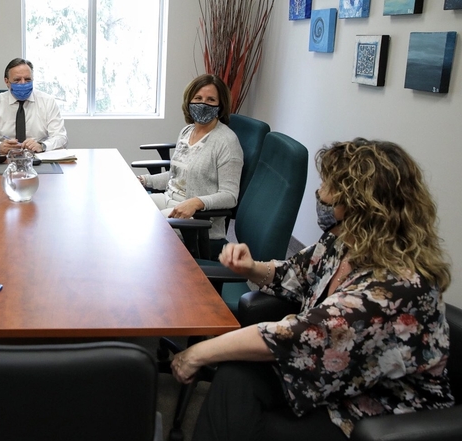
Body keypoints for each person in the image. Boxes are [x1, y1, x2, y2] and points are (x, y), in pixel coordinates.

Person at [171, 139, 454, 441]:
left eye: (327, 185)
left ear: (358, 204)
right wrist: (252, 268)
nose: (320, 193)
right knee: (235, 377)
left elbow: (295, 335)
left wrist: (198, 353)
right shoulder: (344, 241)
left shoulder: (395, 287)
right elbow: (297, 271)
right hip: (335, 381)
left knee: (245, 417)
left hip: (378, 412)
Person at [137, 74, 243, 241]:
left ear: (220, 105)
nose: (203, 104)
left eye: (211, 100)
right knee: (129, 211)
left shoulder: (227, 142)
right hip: (168, 199)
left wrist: (195, 202)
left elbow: (230, 196)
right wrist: (144, 180)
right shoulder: (187, 132)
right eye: (198, 98)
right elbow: (176, 175)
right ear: (189, 101)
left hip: (198, 218)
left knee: (145, 229)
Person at [0, 57, 68, 154]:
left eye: (27, 79)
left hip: (38, 159)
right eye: (17, 80)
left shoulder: (47, 102)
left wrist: (42, 145)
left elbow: (61, 137)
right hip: (6, 160)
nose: (23, 83)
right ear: (7, 81)